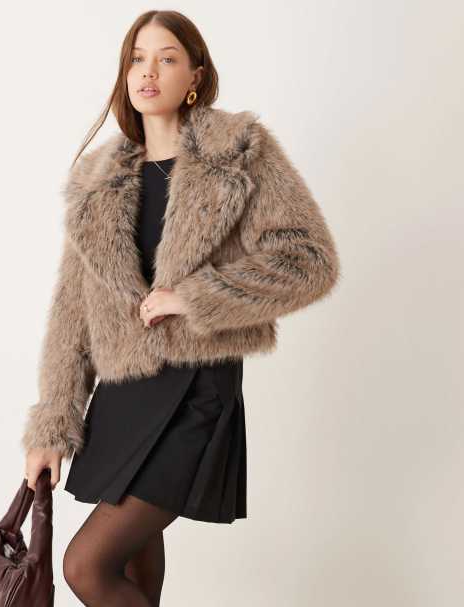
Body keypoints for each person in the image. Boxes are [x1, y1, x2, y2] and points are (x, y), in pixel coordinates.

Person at [21, 9, 341, 606]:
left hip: (197, 388)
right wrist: (52, 426)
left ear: (195, 75)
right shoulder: (97, 181)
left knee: (86, 566)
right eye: (137, 59)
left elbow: (309, 260)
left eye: (167, 58)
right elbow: (71, 316)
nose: (148, 72)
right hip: (123, 392)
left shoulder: (238, 151)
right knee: (134, 573)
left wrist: (194, 297)